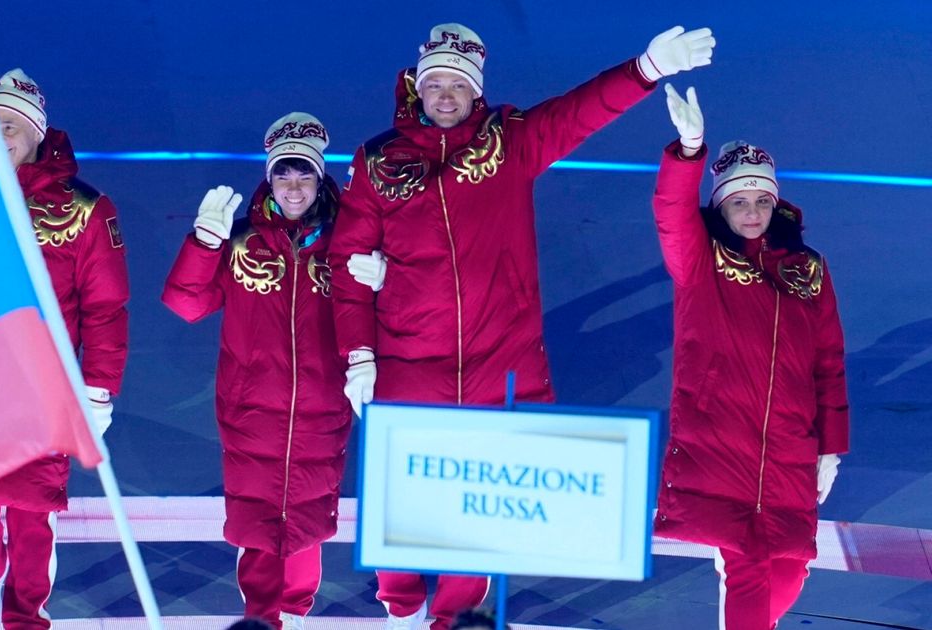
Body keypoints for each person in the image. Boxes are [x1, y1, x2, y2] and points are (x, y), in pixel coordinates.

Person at [328, 22, 715, 630]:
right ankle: (400, 610)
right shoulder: (378, 162)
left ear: (475, 90)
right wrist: (358, 354)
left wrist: (645, 67)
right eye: (436, 83)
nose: (447, 95)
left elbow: (578, 113)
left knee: (478, 511)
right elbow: (347, 262)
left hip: (498, 363)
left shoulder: (508, 143)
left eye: (458, 84)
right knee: (401, 502)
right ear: (418, 87)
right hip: (409, 363)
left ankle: (454, 619)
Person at [163, 113, 374, 630]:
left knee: (306, 521)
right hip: (251, 411)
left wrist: (386, 275)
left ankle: (295, 616)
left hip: (322, 407)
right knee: (257, 524)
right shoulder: (241, 242)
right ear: (269, 179)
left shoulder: (347, 243)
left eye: (304, 175)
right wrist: (203, 244)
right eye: (284, 175)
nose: (294, 187)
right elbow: (186, 303)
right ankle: (260, 619)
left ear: (320, 179)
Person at [651, 84, 849, 630]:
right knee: (749, 564)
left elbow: (829, 360)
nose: (753, 211)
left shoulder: (808, 270)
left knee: (789, 569)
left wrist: (831, 446)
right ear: (720, 204)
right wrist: (689, 150)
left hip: (788, 445)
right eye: (739, 201)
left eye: (762, 200)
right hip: (720, 440)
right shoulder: (700, 260)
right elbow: (670, 212)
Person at [0, 69, 131, 630]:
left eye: (10, 126)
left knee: (31, 511)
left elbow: (106, 308)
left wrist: (99, 390)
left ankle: (24, 615)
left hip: (41, 389)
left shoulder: (86, 210)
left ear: (36, 134)